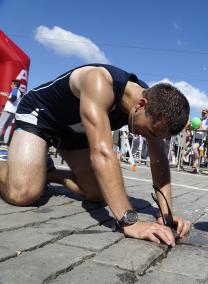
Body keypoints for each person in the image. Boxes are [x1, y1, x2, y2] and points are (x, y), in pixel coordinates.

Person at [0, 64, 192, 246]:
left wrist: (166, 217)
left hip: (74, 134)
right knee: (23, 194)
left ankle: (46, 171)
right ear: (140, 104)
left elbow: (159, 161)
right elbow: (102, 153)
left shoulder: (153, 109)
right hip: (42, 117)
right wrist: (129, 221)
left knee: (96, 193)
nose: (152, 139)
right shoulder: (100, 81)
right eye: (151, 133)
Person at [0, 79, 24, 149]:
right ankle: (5, 143)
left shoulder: (15, 89)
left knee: (1, 125)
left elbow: (13, 99)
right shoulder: (19, 91)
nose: (11, 85)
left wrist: (6, 95)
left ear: (15, 85)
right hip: (13, 111)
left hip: (8, 110)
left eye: (12, 84)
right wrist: (7, 95)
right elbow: (14, 100)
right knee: (8, 126)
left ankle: (1, 141)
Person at [191, 108, 208, 173]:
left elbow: (204, 129)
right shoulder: (198, 119)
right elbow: (193, 126)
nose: (203, 114)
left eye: (204, 113)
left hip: (201, 139)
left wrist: (199, 126)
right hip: (195, 137)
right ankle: (195, 168)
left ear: (207, 114)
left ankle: (196, 165)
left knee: (194, 148)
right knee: (195, 153)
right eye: (202, 113)